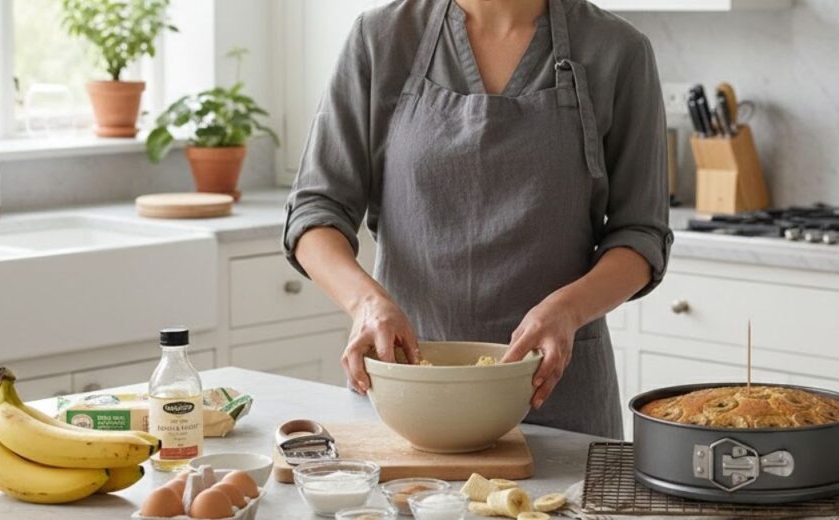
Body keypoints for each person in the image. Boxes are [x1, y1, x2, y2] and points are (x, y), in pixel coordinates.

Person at [283, 0, 672, 438]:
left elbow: (641, 233)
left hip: (555, 393)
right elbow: (315, 212)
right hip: (407, 393)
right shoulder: (381, 38)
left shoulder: (617, 50)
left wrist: (568, 310)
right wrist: (367, 305)